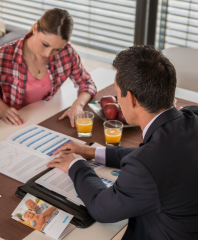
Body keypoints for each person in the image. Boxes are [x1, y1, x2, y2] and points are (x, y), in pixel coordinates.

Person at [47, 45, 198, 240]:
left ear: (132, 99)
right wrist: (93, 152)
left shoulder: (146, 166)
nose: (117, 100)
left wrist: (76, 165)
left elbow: (101, 209)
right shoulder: (192, 115)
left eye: (118, 93)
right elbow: (158, 157)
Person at [0, 8, 97, 126]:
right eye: (45, 44)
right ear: (35, 29)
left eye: (56, 49)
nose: (48, 54)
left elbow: (87, 83)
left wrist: (77, 106)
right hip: (8, 122)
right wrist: (2, 108)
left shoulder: (67, 53)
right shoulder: (3, 55)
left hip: (44, 117)